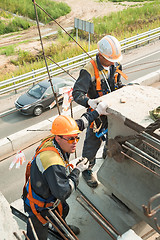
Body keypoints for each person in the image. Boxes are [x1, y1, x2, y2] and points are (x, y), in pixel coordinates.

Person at [22, 101, 108, 240]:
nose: (75, 142)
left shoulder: (60, 136)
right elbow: (63, 192)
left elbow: (81, 123)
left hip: (49, 192)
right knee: (38, 234)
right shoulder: (52, 162)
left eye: (76, 138)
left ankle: (60, 229)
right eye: (70, 139)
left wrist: (97, 112)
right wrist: (77, 171)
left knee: (63, 209)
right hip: (38, 205)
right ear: (58, 137)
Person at [72, 35, 127, 188]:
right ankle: (87, 169)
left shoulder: (116, 65)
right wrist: (89, 102)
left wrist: (124, 90)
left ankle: (107, 156)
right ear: (102, 56)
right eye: (111, 59)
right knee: (92, 142)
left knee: (112, 137)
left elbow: (117, 83)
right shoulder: (88, 70)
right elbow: (77, 93)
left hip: (112, 112)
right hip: (96, 115)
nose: (114, 62)